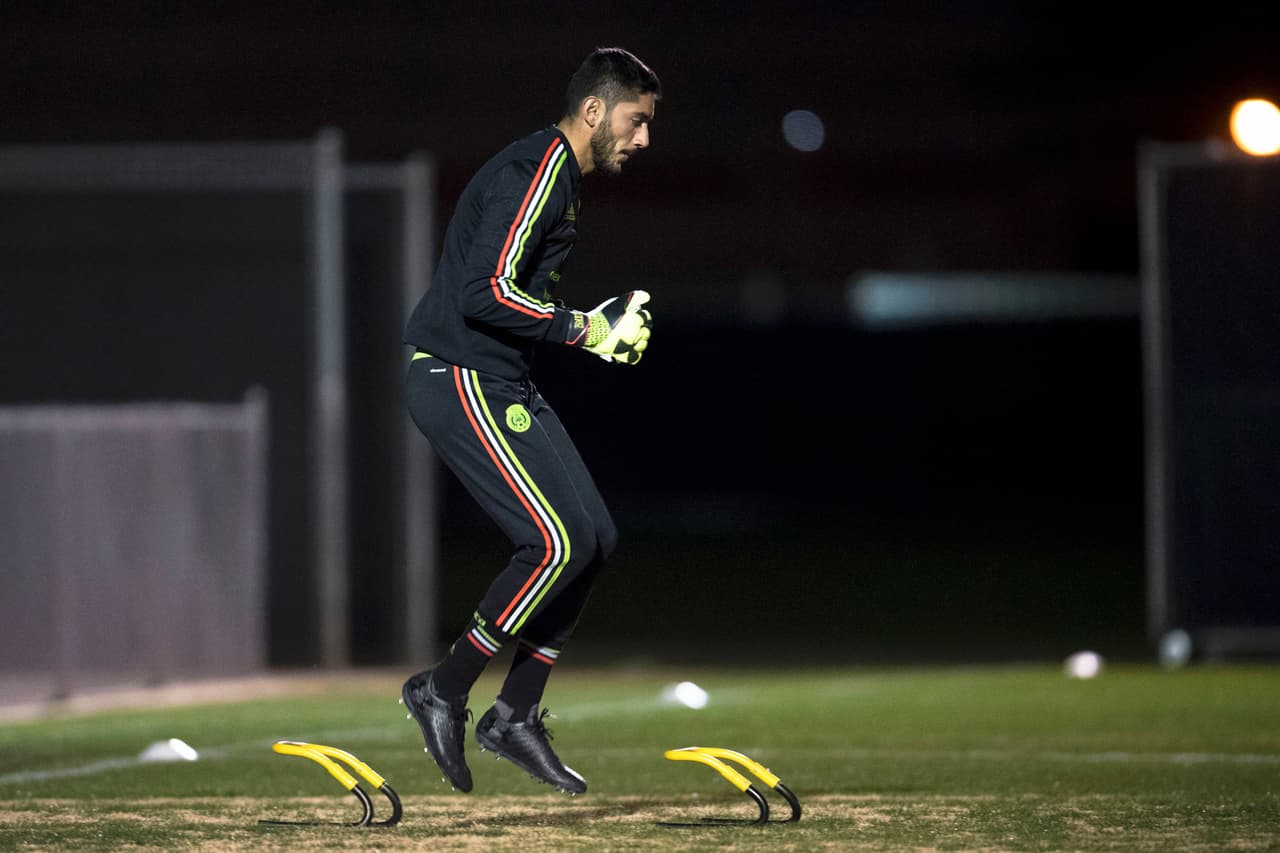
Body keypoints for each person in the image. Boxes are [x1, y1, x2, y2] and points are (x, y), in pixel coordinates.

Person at [399, 47, 661, 795]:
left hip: (497, 377)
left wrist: (596, 324)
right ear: (593, 111)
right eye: (636, 121)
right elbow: (484, 294)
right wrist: (586, 330)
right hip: (456, 375)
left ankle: (513, 714)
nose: (644, 139)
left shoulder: (561, 179)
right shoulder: (539, 171)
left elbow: (510, 293)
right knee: (554, 541)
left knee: (596, 539)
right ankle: (442, 689)